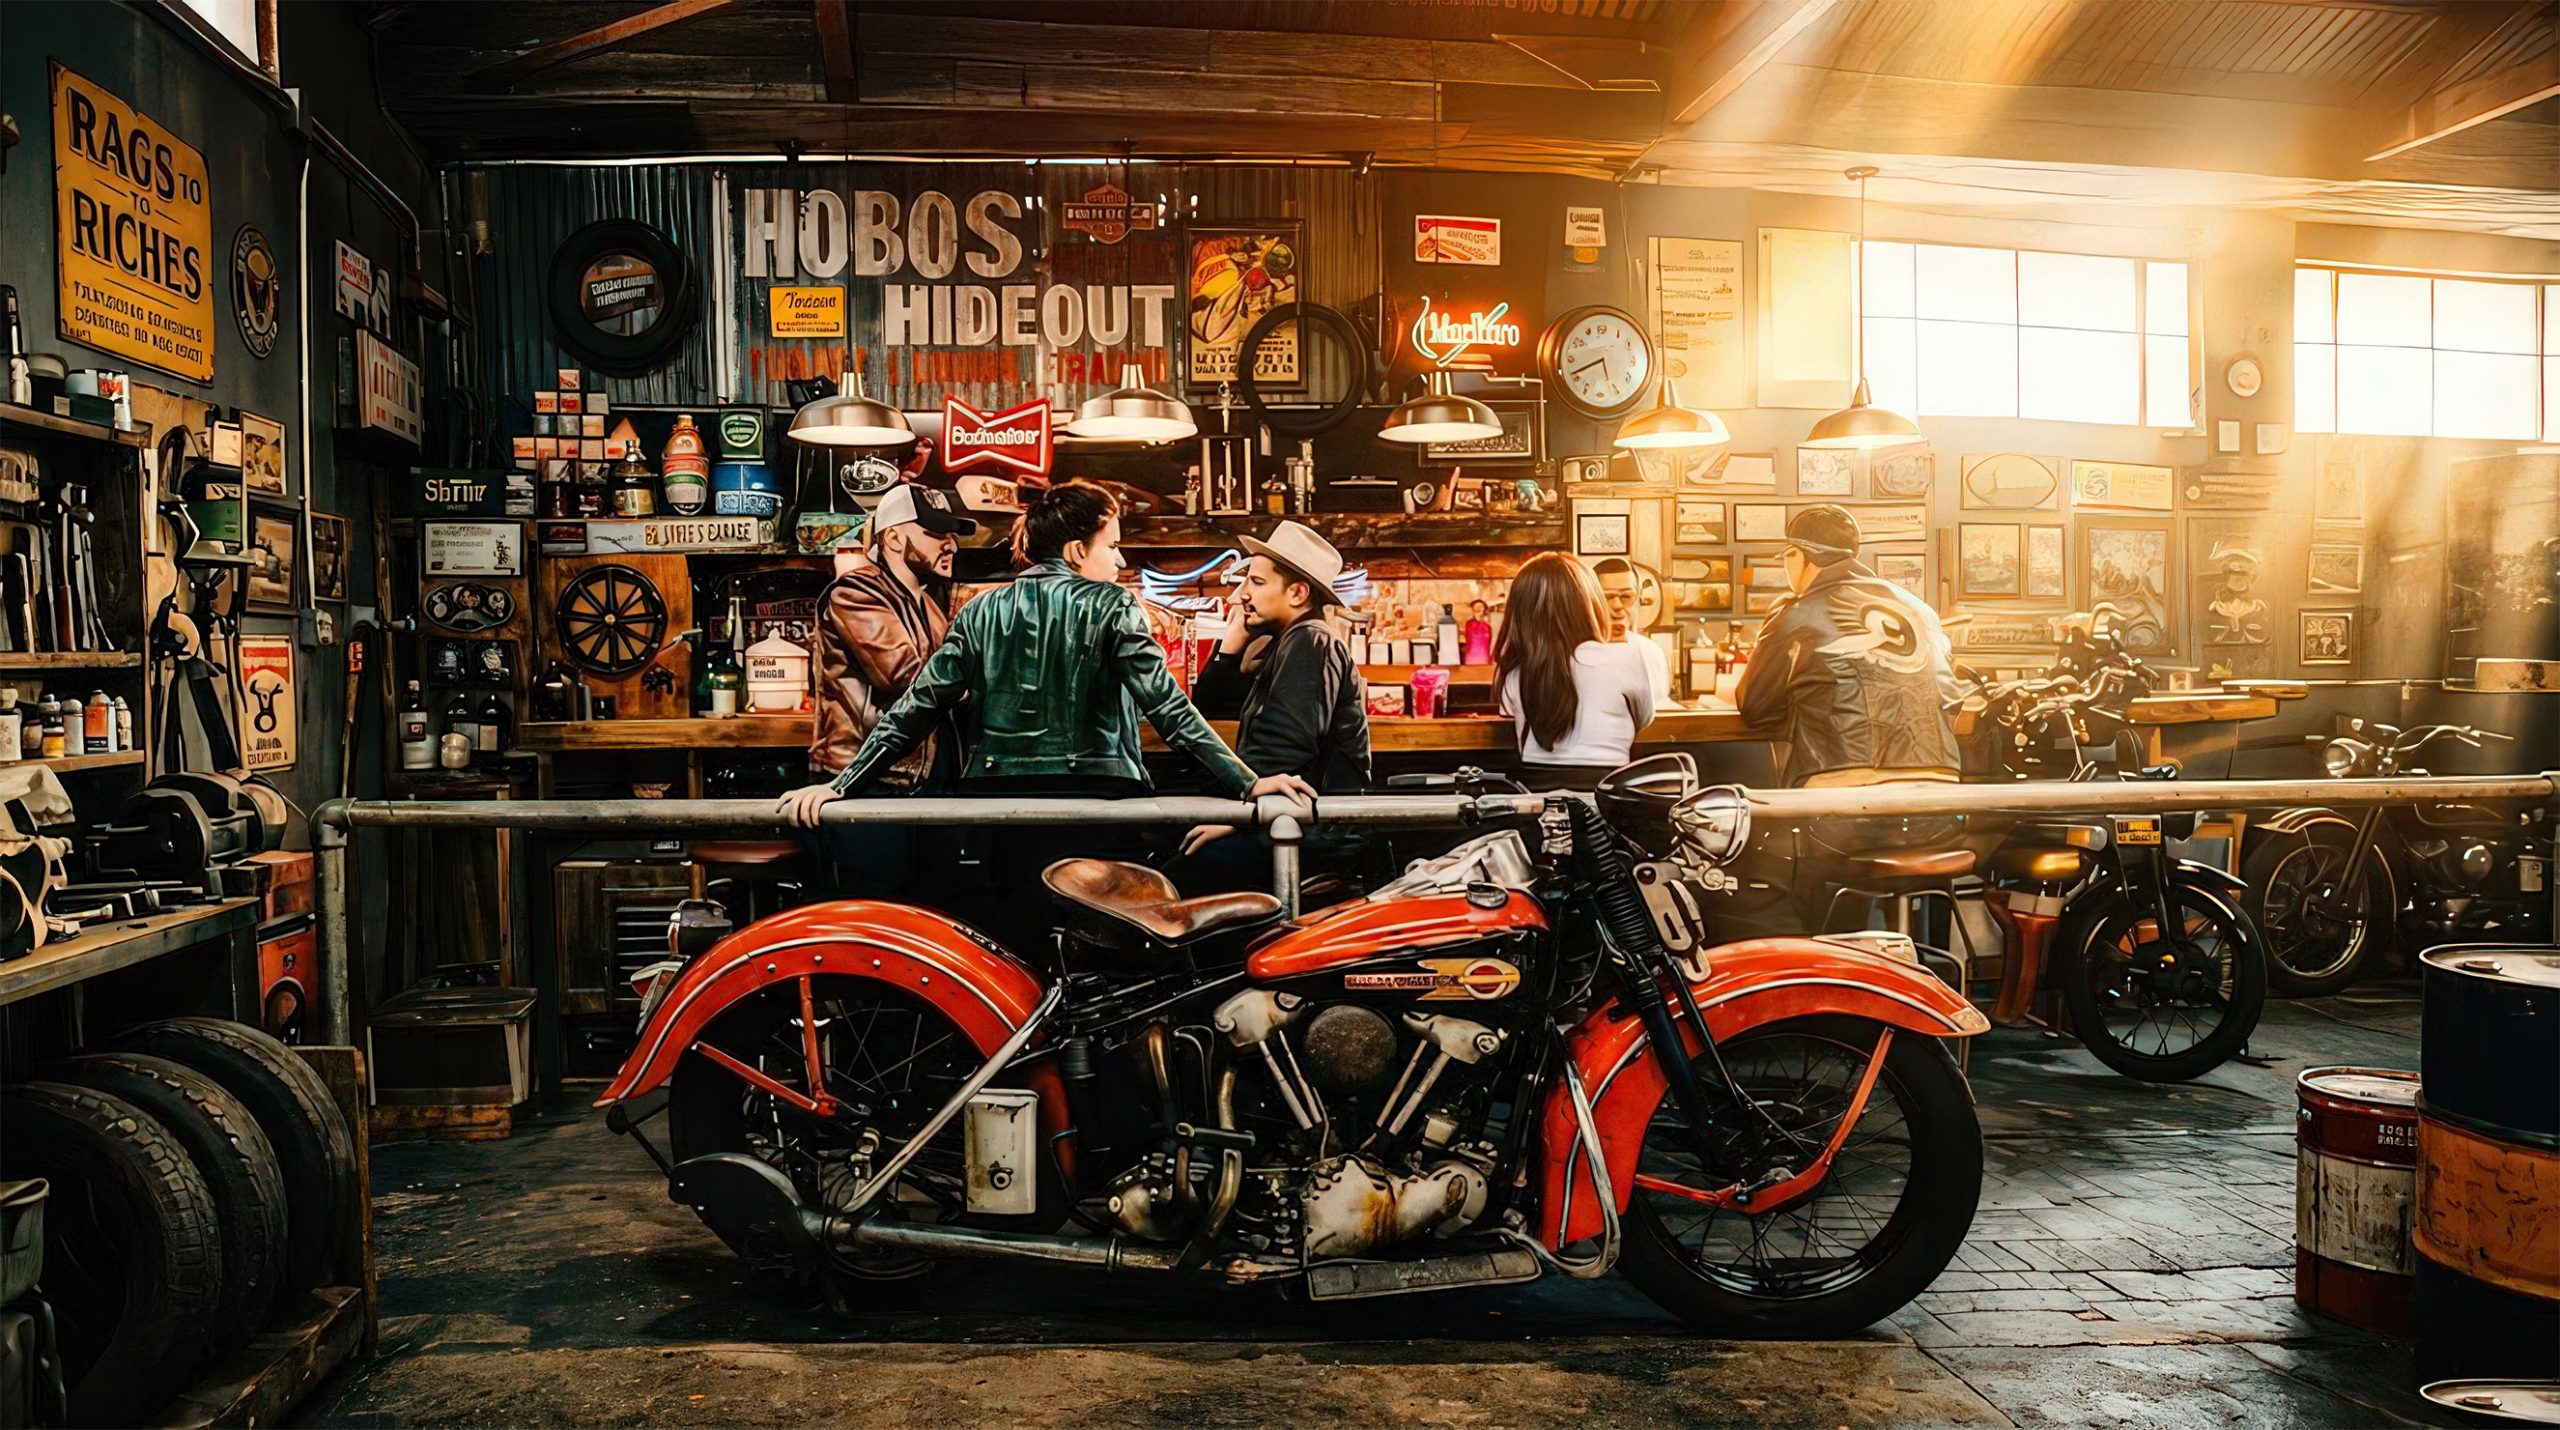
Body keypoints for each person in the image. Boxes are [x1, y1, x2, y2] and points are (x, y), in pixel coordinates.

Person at [782, 479, 1313, 815]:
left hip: (994, 803)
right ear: (1078, 549)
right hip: (1099, 801)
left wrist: (842, 786)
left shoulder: (979, 610)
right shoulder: (1113, 605)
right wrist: (1249, 784)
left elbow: (916, 707)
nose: (1122, 561)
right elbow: (1169, 711)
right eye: (1113, 544)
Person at [784, 483, 968, 894]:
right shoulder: (855, 593)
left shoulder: (926, 604)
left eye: (952, 535)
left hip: (916, 785)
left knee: (926, 919)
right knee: (875, 917)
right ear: (895, 537)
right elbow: (907, 676)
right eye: (937, 534)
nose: (951, 545)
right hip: (866, 783)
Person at [1181, 520, 1371, 885]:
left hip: (1312, 834)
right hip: (1285, 819)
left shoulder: (1310, 643)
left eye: (1256, 582)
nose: (1239, 596)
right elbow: (1211, 710)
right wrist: (1231, 645)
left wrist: (1235, 815)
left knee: (1181, 871)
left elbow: (1286, 750)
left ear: (1297, 593)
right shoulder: (1286, 643)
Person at [1736, 504, 1961, 789]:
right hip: (1937, 779)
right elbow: (1952, 697)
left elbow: (1755, 708)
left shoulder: (1796, 611)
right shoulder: (1921, 610)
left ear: (1797, 555)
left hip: (1842, 782)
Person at [1495, 552, 1656, 786]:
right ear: (1589, 603)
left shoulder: (1514, 671)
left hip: (1536, 796)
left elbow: (1522, 744)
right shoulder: (1630, 655)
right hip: (1604, 795)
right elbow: (1643, 720)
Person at [1590, 556, 1673, 703]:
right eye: (1607, 597)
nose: (1617, 605)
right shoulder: (1578, 653)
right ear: (1592, 600)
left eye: (1626, 596)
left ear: (1638, 599)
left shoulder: (1650, 652)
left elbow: (1659, 709)